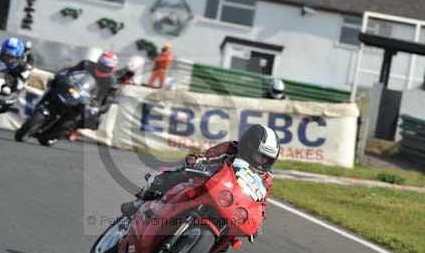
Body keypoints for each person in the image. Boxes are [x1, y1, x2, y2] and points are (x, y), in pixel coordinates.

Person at [120, 124, 281, 218]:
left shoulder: (266, 179)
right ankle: (139, 202)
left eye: (267, 159)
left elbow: (261, 204)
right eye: (260, 155)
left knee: (229, 241)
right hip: (205, 183)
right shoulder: (231, 148)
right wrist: (196, 163)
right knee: (177, 175)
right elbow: (207, 156)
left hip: (229, 204)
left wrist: (259, 219)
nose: (263, 161)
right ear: (248, 146)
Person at [49, 51, 120, 141]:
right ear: (98, 62)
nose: (103, 69)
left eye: (107, 68)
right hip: (72, 89)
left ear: (112, 69)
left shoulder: (112, 84)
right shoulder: (86, 64)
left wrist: (97, 108)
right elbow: (69, 71)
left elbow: (107, 103)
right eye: (102, 66)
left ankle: (73, 129)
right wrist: (60, 76)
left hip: (88, 101)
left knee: (94, 121)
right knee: (54, 83)